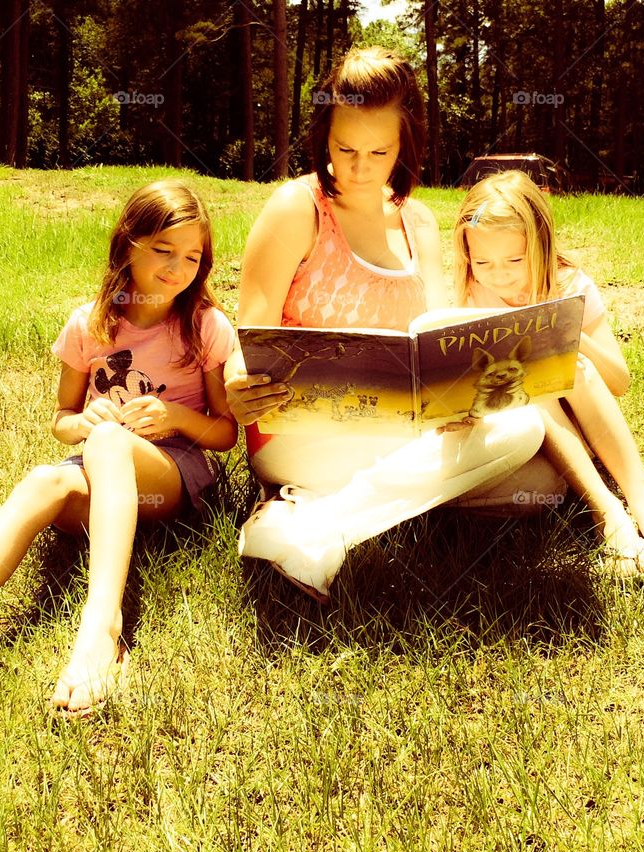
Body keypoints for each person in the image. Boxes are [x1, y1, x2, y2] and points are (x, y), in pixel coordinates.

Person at [0, 180, 238, 741]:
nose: (178, 268)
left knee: (111, 444)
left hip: (174, 475)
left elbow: (225, 434)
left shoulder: (206, 326)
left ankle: (102, 625)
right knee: (44, 479)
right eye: (163, 250)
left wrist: (176, 418)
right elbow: (62, 417)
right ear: (128, 244)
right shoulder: (89, 324)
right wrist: (84, 424)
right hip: (101, 467)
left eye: (192, 256)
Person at [225, 46, 544, 601]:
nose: (359, 166)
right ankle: (333, 513)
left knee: (533, 457)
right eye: (344, 147)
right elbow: (247, 336)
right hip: (297, 428)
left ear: (406, 144)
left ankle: (308, 521)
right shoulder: (296, 208)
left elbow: (444, 336)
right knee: (518, 476)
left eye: (379, 150)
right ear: (324, 132)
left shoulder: (418, 221)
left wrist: (458, 398)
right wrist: (236, 381)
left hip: (401, 426)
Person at [452, 169, 644, 575]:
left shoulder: (570, 284)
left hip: (586, 420)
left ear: (541, 244)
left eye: (514, 259)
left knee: (576, 367)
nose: (498, 273)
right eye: (482, 261)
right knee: (531, 383)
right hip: (528, 431)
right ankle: (608, 515)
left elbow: (619, 381)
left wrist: (562, 329)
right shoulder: (472, 293)